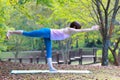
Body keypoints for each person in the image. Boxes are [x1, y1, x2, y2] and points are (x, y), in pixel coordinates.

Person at [6, 21, 99, 72]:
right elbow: (81, 31)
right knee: (29, 34)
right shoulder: (70, 29)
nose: (77, 30)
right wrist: (91, 29)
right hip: (47, 32)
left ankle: (51, 67)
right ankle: (11, 32)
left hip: (49, 37)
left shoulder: (70, 31)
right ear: (74, 27)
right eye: (77, 29)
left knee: (49, 51)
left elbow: (79, 31)